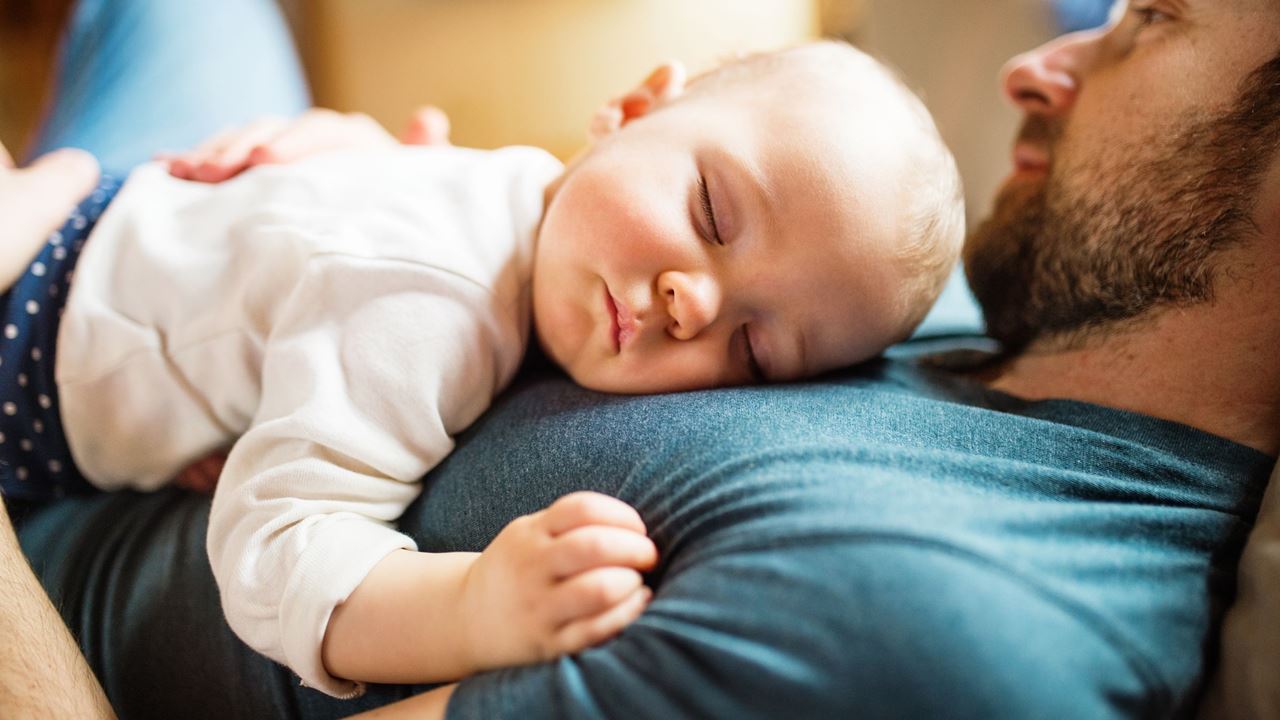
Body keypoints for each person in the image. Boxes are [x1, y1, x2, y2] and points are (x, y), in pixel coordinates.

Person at [8, 0, 1279, 718]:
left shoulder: (941, 629)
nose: (1035, 60)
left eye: (1151, 21)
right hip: (198, 262)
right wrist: (379, 196)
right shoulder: (967, 294)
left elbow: (299, 568)